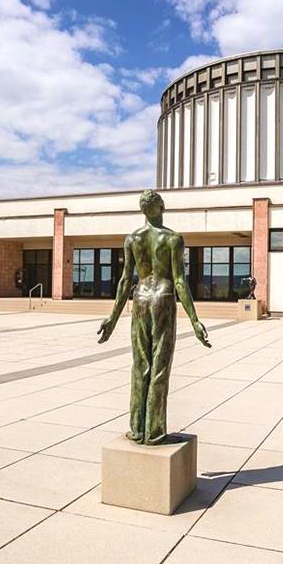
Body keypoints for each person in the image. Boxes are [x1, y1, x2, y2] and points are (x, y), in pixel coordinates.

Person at [97, 189, 210, 445]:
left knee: (140, 366)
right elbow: (180, 281)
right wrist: (194, 320)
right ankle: (155, 431)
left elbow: (126, 280)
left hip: (140, 299)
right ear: (160, 207)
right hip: (163, 299)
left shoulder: (132, 239)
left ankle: (137, 430)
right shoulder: (173, 239)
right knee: (159, 367)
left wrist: (112, 319)